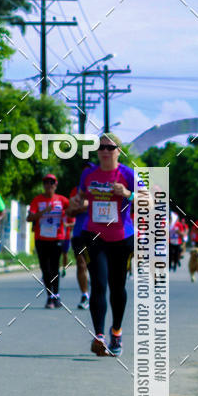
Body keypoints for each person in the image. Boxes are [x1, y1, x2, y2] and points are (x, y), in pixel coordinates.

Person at [68, 133, 143, 357]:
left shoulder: (128, 174)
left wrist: (128, 194)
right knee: (99, 284)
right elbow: (81, 198)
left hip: (122, 237)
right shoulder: (89, 173)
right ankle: (99, 335)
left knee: (117, 286)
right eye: (101, 147)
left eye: (110, 148)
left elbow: (148, 200)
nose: (105, 151)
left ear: (119, 150)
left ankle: (116, 332)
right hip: (94, 235)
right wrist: (77, 203)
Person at [27, 174, 69, 309]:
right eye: (46, 183)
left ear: (55, 185)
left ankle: (56, 295)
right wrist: (44, 211)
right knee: (45, 269)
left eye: (51, 183)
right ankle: (50, 296)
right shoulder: (37, 200)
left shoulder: (62, 200)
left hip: (57, 238)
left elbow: (72, 210)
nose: (49, 186)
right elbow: (29, 218)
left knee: (54, 268)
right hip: (41, 238)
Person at [68, 184, 90, 309]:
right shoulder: (76, 191)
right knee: (81, 264)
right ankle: (85, 295)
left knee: (96, 267)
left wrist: (87, 206)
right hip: (79, 233)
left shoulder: (103, 189)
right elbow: (70, 211)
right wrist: (82, 208)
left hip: (98, 234)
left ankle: (99, 294)